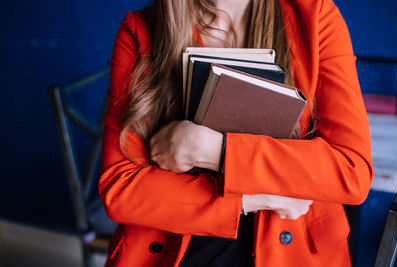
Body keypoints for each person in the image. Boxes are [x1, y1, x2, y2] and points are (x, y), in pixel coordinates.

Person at [98, 0, 373, 266]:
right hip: (171, 248)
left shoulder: (315, 18)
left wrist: (213, 149)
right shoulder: (141, 29)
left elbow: (351, 170)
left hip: (293, 247)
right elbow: (119, 190)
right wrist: (249, 199)